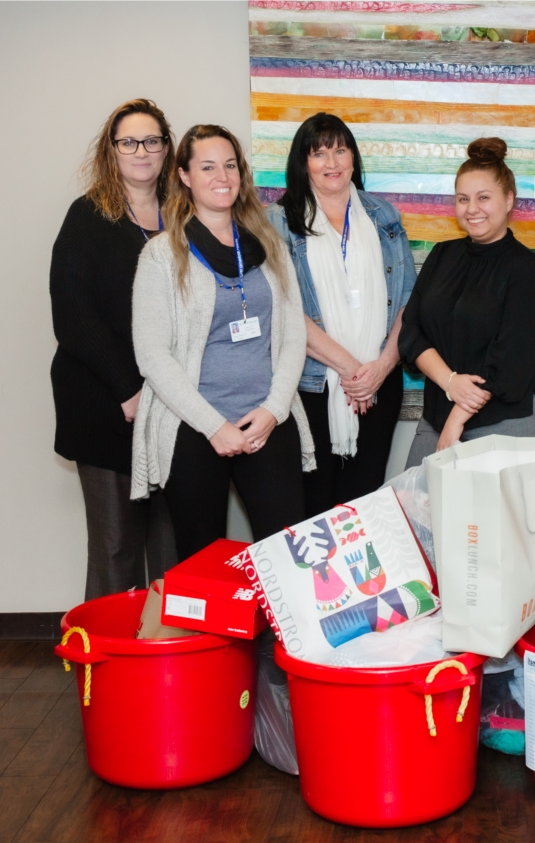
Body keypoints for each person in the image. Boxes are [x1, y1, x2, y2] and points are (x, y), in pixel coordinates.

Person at [130, 124, 315, 560]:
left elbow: (292, 335)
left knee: (288, 558)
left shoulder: (269, 243)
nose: (222, 176)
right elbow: (152, 355)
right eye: (208, 166)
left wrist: (273, 410)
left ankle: (276, 633)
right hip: (195, 427)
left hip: (267, 421)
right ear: (185, 176)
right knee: (202, 563)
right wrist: (214, 426)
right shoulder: (162, 254)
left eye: (230, 165)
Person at [50, 99, 178, 600]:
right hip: (106, 405)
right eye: (129, 142)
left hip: (173, 408)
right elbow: (72, 315)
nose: (141, 151)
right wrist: (127, 389)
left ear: (167, 149)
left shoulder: (186, 217)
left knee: (173, 551)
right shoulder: (88, 216)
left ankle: (169, 672)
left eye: (152, 140)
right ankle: (106, 675)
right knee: (116, 547)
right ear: (112, 150)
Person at [268, 113, 415, 514]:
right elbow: (284, 310)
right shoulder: (278, 222)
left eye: (339, 150)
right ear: (303, 163)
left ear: (353, 157)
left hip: (380, 384)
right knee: (315, 505)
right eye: (318, 154)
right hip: (313, 386)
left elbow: (407, 300)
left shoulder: (384, 216)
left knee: (365, 503)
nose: (331, 162)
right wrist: (352, 370)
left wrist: (381, 368)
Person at [399, 138, 535, 466]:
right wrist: (450, 383)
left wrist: (457, 418)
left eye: (484, 197)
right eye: (463, 199)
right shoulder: (442, 255)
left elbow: (507, 367)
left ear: (509, 200)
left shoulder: (529, 272)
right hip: (438, 413)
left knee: (495, 518)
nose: (472, 209)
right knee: (411, 507)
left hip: (504, 422)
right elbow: (411, 333)